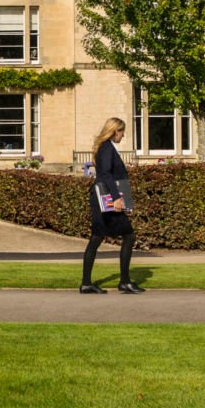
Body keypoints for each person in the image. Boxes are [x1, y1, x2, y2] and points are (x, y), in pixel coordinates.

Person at [81, 117, 142, 294]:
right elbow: (106, 175)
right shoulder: (107, 148)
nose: (123, 136)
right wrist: (117, 199)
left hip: (102, 197)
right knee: (128, 235)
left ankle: (87, 283)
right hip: (106, 198)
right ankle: (123, 281)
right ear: (115, 131)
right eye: (122, 132)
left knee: (97, 238)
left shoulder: (105, 148)